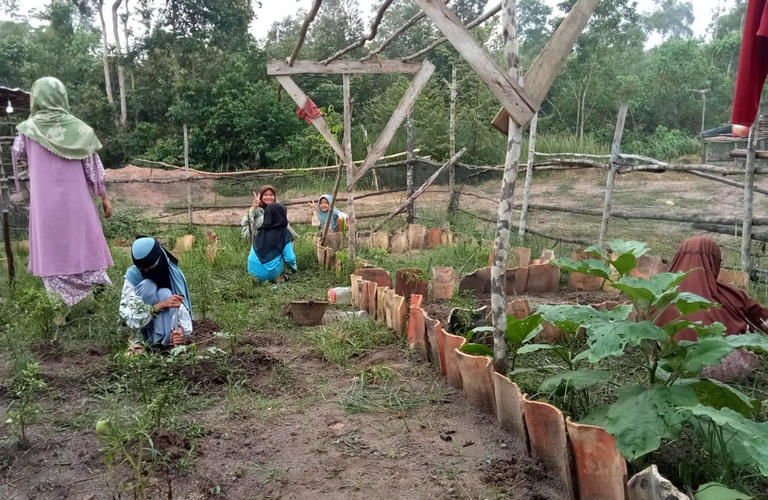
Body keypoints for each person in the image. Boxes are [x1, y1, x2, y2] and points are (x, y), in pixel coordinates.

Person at [10, 76, 113, 306]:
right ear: (62, 96)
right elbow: (92, 168)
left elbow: (17, 152)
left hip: (45, 207)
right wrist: (104, 197)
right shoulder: (80, 130)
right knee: (84, 243)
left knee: (52, 250)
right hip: (78, 204)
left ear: (36, 98)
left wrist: (32, 122)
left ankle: (61, 306)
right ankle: (95, 292)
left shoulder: (28, 131)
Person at [657, 235, 768, 380]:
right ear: (714, 263)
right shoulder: (730, 293)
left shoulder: (661, 293)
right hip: (723, 367)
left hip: (673, 368)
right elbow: (760, 316)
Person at [120, 237, 193, 349]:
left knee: (165, 293)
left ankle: (164, 342)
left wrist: (179, 330)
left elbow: (181, 307)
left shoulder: (173, 273)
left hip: (165, 331)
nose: (147, 272)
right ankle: (140, 342)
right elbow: (128, 314)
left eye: (150, 268)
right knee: (148, 286)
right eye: (142, 270)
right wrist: (160, 305)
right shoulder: (133, 275)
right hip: (141, 328)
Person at [248, 203, 297, 282]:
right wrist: (294, 269)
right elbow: (289, 258)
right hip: (268, 274)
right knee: (285, 251)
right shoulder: (284, 233)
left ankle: (260, 274)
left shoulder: (260, 231)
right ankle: (278, 276)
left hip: (252, 272)